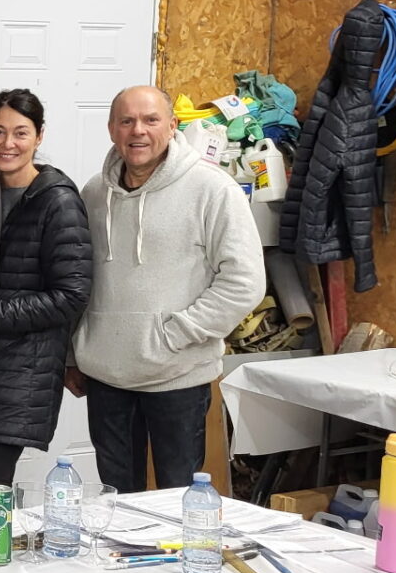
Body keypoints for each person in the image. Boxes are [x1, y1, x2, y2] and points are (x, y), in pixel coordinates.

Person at [69, 85, 264, 492]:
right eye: (126, 121)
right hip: (107, 379)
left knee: (178, 501)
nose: (138, 131)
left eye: (150, 120)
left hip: (177, 377)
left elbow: (244, 282)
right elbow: (78, 278)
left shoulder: (213, 190)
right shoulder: (93, 194)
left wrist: (174, 333)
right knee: (116, 502)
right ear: (111, 130)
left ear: (173, 126)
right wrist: (74, 351)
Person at [0, 90, 93, 494]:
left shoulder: (57, 201)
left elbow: (71, 294)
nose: (7, 143)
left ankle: (2, 557)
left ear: (39, 136)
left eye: (20, 133)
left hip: (20, 369)